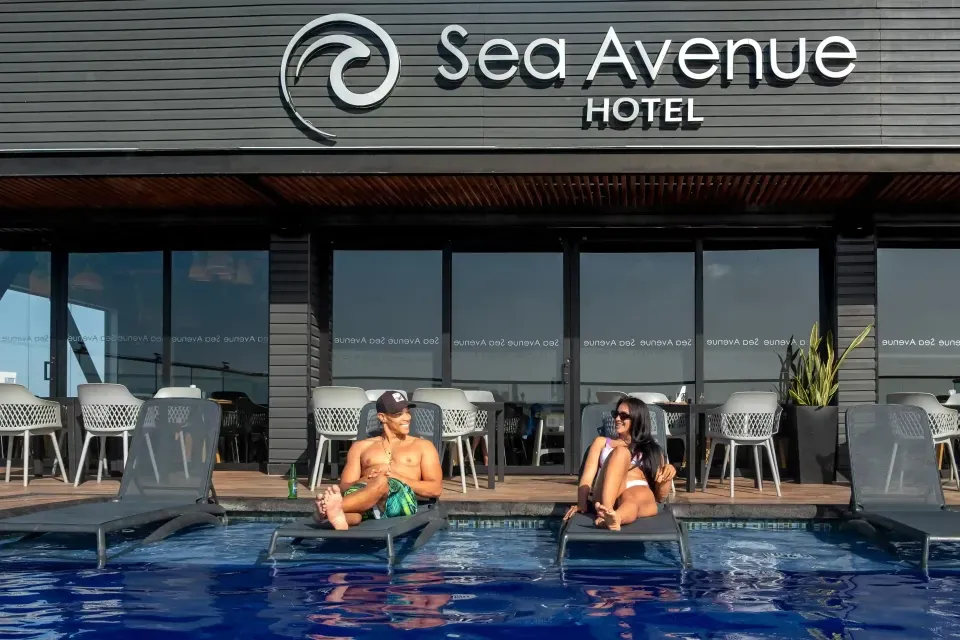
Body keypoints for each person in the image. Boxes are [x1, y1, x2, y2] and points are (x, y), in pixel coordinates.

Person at [315, 390, 443, 530]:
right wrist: (366, 479)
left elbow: (435, 489)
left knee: (382, 480)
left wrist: (394, 477)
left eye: (408, 412)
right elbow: (345, 486)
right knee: (355, 515)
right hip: (365, 497)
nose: (407, 418)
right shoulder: (360, 447)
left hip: (401, 501)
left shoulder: (423, 446)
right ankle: (338, 516)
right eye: (399, 414)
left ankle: (327, 509)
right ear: (382, 417)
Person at [563, 396, 675, 531]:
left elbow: (660, 497)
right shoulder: (602, 443)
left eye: (623, 416)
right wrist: (582, 503)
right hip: (606, 496)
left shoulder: (652, 450)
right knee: (621, 452)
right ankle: (608, 511)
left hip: (639, 496)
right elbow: (587, 477)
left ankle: (616, 518)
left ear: (637, 419)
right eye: (616, 414)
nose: (617, 419)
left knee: (632, 499)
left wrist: (668, 474)